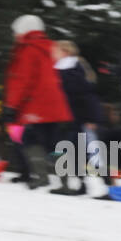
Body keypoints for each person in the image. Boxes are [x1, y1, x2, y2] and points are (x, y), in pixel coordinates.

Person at [3, 14, 72, 190]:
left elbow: (21, 80)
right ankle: (65, 183)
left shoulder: (27, 49)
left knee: (29, 139)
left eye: (17, 32)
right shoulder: (50, 47)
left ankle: (41, 177)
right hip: (56, 105)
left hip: (37, 105)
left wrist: (11, 106)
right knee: (54, 143)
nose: (15, 35)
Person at [50, 40, 103, 195]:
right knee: (70, 149)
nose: (53, 54)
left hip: (81, 116)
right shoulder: (62, 68)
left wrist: (92, 118)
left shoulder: (72, 68)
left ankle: (100, 185)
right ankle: (80, 183)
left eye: (56, 51)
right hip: (70, 117)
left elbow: (86, 94)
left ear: (65, 52)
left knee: (87, 151)